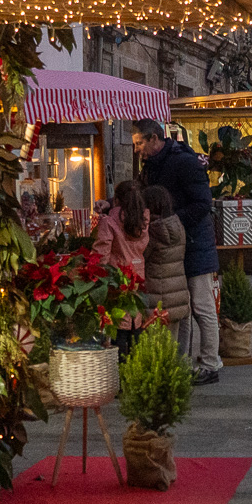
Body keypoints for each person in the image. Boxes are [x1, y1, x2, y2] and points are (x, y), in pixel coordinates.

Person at [132, 118, 220, 384]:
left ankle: (210, 363)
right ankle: (181, 362)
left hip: (194, 245)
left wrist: (172, 222)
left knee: (202, 306)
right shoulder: (151, 165)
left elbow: (203, 203)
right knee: (179, 307)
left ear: (154, 139)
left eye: (139, 143)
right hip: (173, 246)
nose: (136, 150)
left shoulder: (183, 161)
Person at [92, 180, 150, 356]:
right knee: (136, 321)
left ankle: (120, 368)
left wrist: (94, 275)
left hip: (116, 277)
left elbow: (101, 253)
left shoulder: (109, 221)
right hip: (138, 275)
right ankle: (136, 365)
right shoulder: (143, 219)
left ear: (116, 200)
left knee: (119, 324)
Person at [140, 186, 193, 340]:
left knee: (155, 347)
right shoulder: (176, 225)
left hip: (157, 298)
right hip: (177, 296)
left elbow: (143, 255)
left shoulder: (154, 231)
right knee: (172, 345)